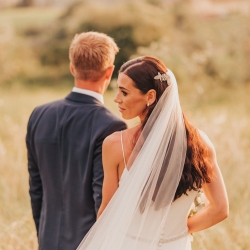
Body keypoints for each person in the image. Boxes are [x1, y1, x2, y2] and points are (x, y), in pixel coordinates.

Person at [77, 56, 229, 250]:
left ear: (150, 96)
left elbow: (107, 211)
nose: (116, 99)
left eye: (124, 92)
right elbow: (220, 209)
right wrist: (180, 231)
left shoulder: (116, 145)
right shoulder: (200, 144)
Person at [26, 31, 127, 250]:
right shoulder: (112, 126)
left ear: (72, 68)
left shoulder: (39, 115)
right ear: (109, 72)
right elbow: (103, 200)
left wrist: (44, 235)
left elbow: (36, 189)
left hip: (47, 239)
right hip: (90, 243)